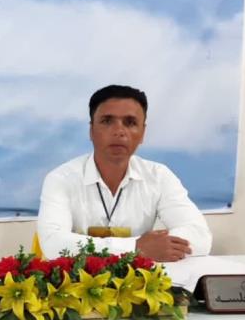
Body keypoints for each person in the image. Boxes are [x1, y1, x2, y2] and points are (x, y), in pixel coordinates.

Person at [37, 85, 212, 262]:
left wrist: (157, 245)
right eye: (107, 121)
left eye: (130, 123)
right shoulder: (61, 179)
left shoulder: (159, 176)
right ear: (91, 130)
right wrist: (135, 248)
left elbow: (200, 237)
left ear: (142, 133)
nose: (119, 131)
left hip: (142, 278)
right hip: (78, 277)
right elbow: (53, 244)